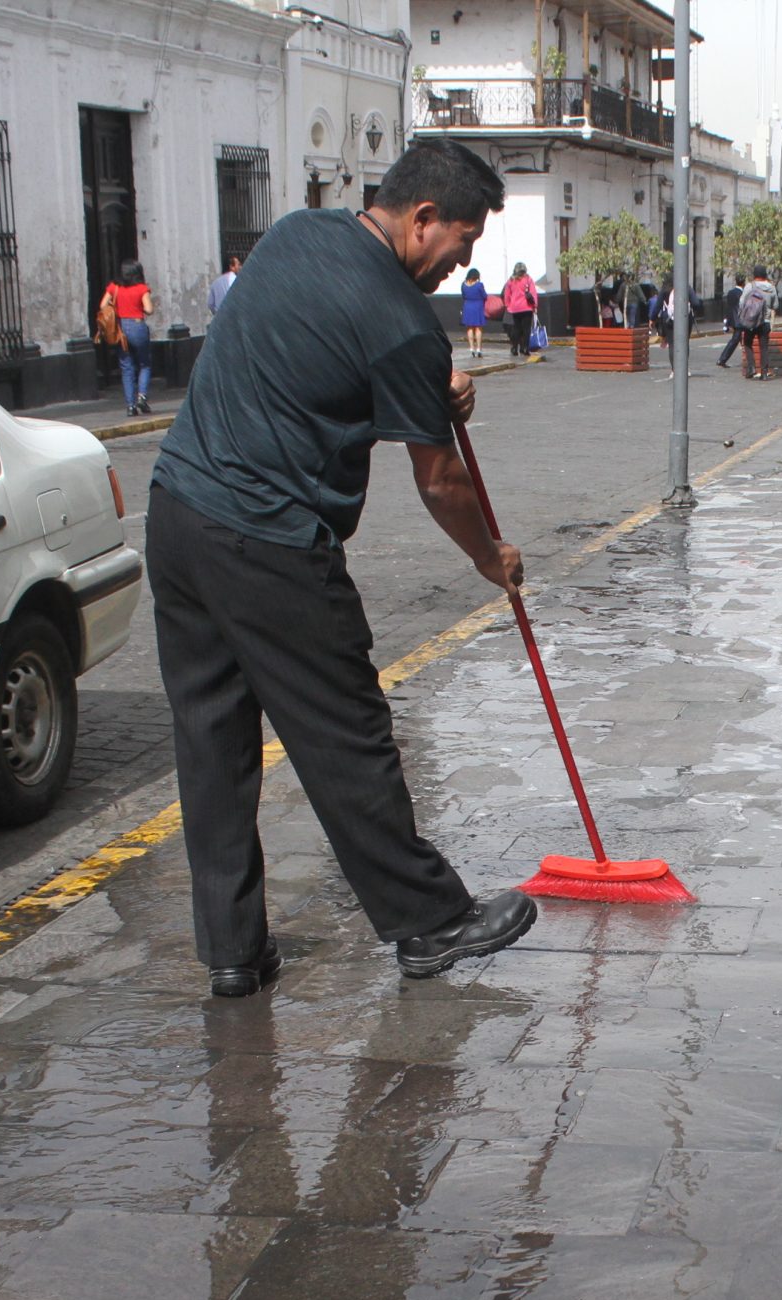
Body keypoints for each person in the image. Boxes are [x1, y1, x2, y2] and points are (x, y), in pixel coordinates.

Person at [145, 138, 536, 992]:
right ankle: (430, 922)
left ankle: (233, 954)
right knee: (345, 734)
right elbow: (439, 479)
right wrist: (489, 555)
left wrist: (435, 386)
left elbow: (314, 355)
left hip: (177, 513)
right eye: (461, 245)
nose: (457, 265)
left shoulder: (296, 233)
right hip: (269, 544)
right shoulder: (403, 323)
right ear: (423, 218)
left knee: (212, 741)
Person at [104, 260, 155, 417]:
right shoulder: (141, 289)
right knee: (144, 364)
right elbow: (149, 309)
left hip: (120, 328)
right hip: (137, 326)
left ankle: (130, 406)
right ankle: (142, 396)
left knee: (126, 367)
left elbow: (102, 305)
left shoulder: (114, 287)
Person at [737, 264, 777, 381]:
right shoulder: (772, 287)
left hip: (752, 321)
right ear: (765, 275)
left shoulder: (750, 286)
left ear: (754, 275)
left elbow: (741, 302)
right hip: (765, 321)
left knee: (748, 343)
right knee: (763, 347)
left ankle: (752, 368)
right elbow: (776, 305)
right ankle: (764, 374)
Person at [501, 262, 540, 362]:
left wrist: (508, 305)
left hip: (514, 308)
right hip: (527, 308)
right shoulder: (528, 279)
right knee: (526, 329)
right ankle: (525, 348)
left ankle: (514, 348)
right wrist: (535, 305)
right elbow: (533, 293)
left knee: (516, 329)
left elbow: (507, 294)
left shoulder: (511, 280)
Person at [715, 275, 746, 368]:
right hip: (740, 320)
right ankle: (722, 359)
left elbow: (729, 307)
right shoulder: (742, 294)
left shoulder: (730, 292)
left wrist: (728, 320)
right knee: (735, 340)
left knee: (741, 341)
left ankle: (748, 359)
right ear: (743, 283)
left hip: (733, 319)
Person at [460, 266, 488, 357]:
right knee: (478, 328)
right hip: (478, 307)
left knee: (469, 328)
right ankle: (479, 349)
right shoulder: (479, 285)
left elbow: (463, 296)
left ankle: (471, 348)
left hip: (467, 306)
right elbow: (484, 296)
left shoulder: (463, 285)